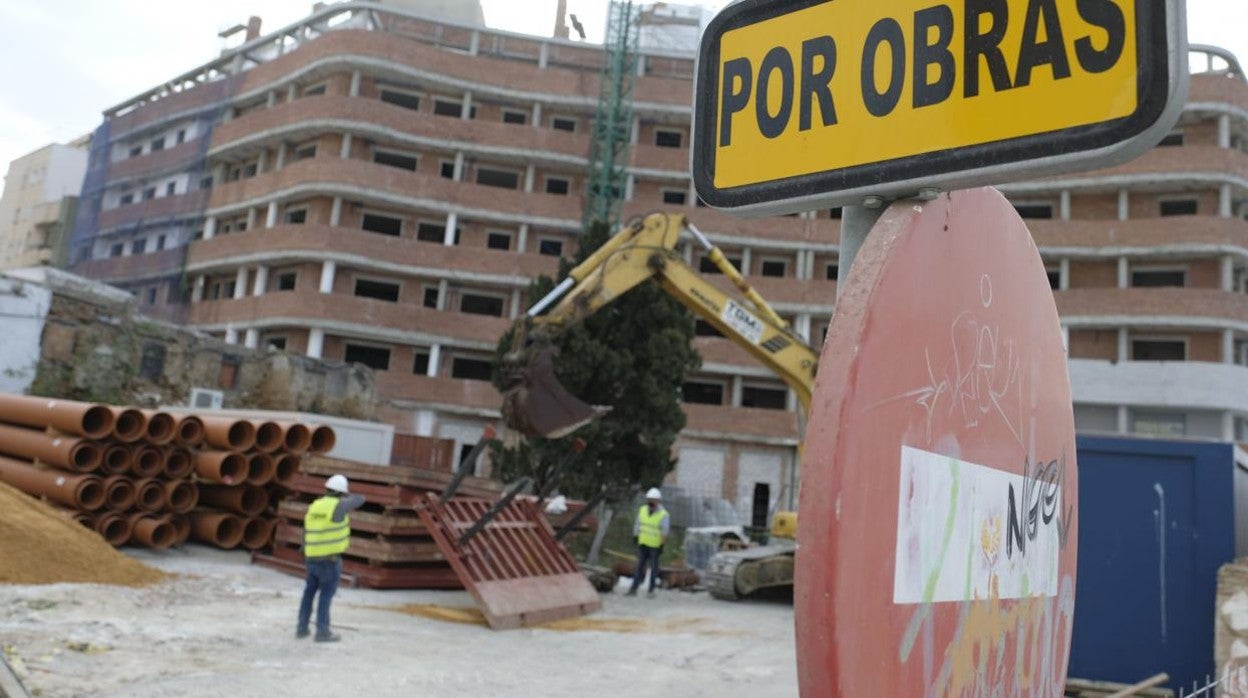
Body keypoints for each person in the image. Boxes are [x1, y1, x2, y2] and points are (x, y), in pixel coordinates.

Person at [297, 474, 364, 642]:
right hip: (329, 560)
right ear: (341, 493)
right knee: (325, 596)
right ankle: (322, 631)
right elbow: (360, 499)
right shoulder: (338, 506)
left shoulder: (315, 505)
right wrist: (346, 496)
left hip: (312, 557)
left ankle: (302, 628)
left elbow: (306, 530)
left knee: (309, 593)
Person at [626, 487, 669, 598]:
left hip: (655, 546)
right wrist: (635, 537)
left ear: (658, 501)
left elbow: (664, 532)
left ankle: (651, 590)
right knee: (639, 566)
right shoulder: (643, 510)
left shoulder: (664, 515)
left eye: (653, 500)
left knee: (653, 568)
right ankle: (634, 588)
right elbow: (638, 524)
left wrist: (662, 545)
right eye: (649, 499)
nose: (650, 502)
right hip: (643, 544)